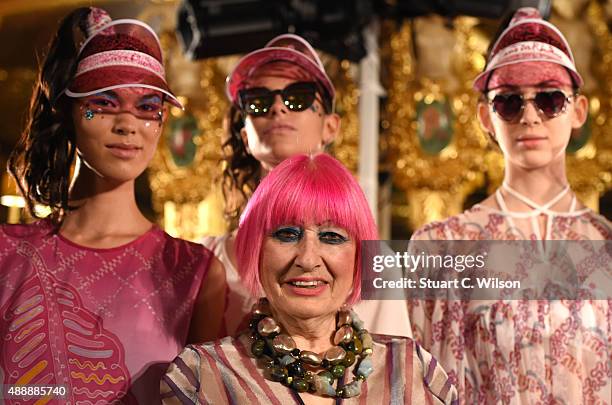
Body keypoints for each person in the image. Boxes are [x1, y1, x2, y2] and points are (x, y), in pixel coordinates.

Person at [0, 7, 225, 404]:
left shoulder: (192, 271)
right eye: (104, 103)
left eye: (147, 107)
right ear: (68, 113)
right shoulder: (7, 252)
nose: (128, 124)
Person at [408, 7, 611, 403]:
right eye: (509, 102)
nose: (530, 116)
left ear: (578, 111)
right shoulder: (442, 247)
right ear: (486, 116)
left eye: (550, 99)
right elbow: (424, 389)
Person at [161, 154, 458, 404]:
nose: (307, 258)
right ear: (256, 249)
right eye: (286, 234)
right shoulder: (201, 378)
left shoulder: (414, 372)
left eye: (332, 237)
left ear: (359, 255)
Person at [204, 33, 413, 338]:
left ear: (331, 126)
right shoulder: (208, 260)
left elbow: (393, 371)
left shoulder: (375, 264)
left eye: (298, 97)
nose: (278, 108)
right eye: (259, 101)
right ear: (245, 134)